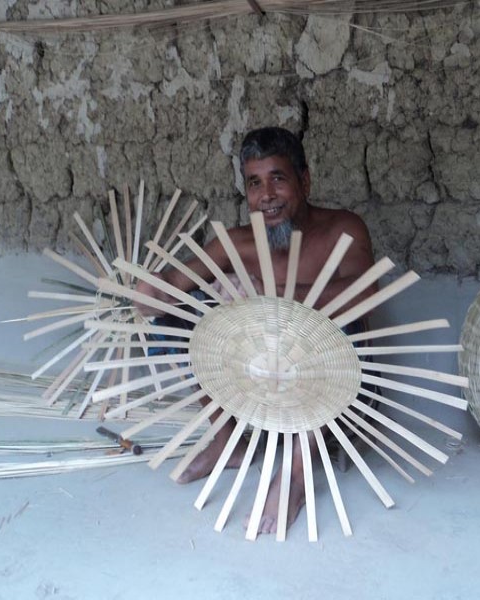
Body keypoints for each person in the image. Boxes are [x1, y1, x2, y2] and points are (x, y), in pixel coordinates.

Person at [135, 126, 377, 535]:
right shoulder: (237, 242)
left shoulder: (343, 229)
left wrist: (268, 291)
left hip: (335, 380)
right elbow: (170, 286)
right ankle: (229, 442)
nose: (266, 195)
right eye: (254, 183)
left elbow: (364, 294)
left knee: (333, 332)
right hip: (260, 375)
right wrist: (147, 290)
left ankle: (297, 475)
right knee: (177, 322)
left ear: (305, 180)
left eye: (278, 179)